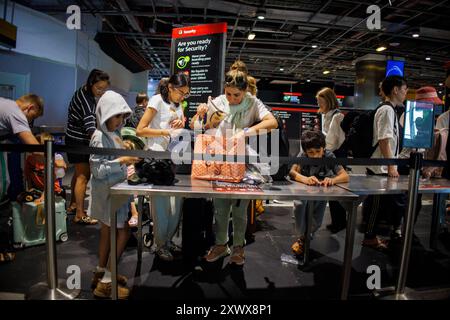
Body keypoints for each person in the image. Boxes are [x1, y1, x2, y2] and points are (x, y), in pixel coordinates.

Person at [195, 69, 278, 265]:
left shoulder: (253, 102)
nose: (231, 99)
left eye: (236, 95)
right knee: (220, 207)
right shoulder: (218, 100)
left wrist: (246, 131)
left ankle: (238, 246)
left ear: (245, 91)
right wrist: (205, 116)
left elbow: (272, 122)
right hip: (219, 159)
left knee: (240, 208)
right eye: (228, 93)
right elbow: (206, 127)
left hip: (243, 160)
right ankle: (221, 245)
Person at [88, 90, 140, 299]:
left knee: (107, 232)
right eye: (116, 116)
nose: (119, 120)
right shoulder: (100, 137)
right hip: (111, 194)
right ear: (106, 114)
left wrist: (123, 152)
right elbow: (98, 171)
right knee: (123, 233)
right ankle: (106, 282)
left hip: (115, 192)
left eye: (121, 116)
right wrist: (122, 161)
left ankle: (102, 274)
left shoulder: (111, 134)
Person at [136, 73, 190, 261]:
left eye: (186, 94)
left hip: (173, 158)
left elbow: (176, 126)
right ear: (170, 88)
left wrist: (179, 124)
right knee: (160, 206)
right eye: (181, 93)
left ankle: (167, 241)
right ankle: (160, 245)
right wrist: (165, 130)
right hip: (156, 158)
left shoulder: (178, 105)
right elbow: (140, 129)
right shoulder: (156, 101)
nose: (183, 97)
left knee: (175, 206)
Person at [363, 75, 408, 250]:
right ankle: (369, 237)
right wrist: (391, 164)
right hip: (380, 166)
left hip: (382, 165)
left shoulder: (390, 109)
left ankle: (372, 235)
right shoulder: (387, 110)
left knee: (378, 203)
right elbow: (384, 139)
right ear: (395, 90)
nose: (405, 93)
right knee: (375, 204)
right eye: (404, 89)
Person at [289, 130, 349, 257]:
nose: (315, 155)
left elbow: (344, 176)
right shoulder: (302, 156)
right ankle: (301, 237)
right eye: (311, 152)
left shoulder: (329, 156)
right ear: (305, 152)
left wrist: (333, 179)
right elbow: (293, 172)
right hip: (304, 191)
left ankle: (305, 238)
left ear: (323, 148)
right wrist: (305, 179)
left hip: (322, 191)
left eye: (318, 151)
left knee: (317, 220)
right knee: (300, 208)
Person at [0, 94, 44, 262]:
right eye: (31, 117)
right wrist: (50, 160)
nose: (28, 121)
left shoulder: (5, 103)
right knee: (3, 193)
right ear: (30, 108)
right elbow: (33, 145)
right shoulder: (15, 111)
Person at [66, 69, 110, 225]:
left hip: (74, 139)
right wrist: (104, 144)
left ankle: (72, 205)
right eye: (99, 88)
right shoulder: (87, 100)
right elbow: (90, 127)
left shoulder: (84, 92)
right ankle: (79, 214)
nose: (101, 91)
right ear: (91, 84)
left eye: (104, 88)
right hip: (78, 141)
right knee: (83, 177)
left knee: (78, 174)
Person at [316, 87, 347, 233]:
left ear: (328, 101)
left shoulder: (337, 116)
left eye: (321, 102)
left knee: (337, 191)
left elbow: (334, 141)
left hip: (336, 156)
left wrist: (323, 151)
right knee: (332, 191)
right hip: (329, 155)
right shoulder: (327, 116)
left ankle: (340, 222)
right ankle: (337, 221)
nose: (319, 106)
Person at [24, 132, 67, 203]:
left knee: (43, 204)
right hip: (37, 189)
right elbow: (28, 177)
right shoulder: (30, 159)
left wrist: (43, 197)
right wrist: (31, 190)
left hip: (53, 190)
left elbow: (51, 182)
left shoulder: (53, 159)